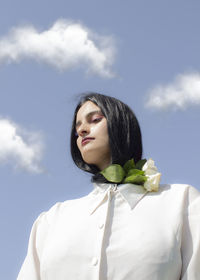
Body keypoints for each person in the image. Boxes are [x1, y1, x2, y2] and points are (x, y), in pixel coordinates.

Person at [17, 92, 200, 280]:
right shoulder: (51, 221)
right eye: (77, 128)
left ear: (121, 123)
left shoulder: (181, 203)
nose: (82, 131)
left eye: (94, 119)